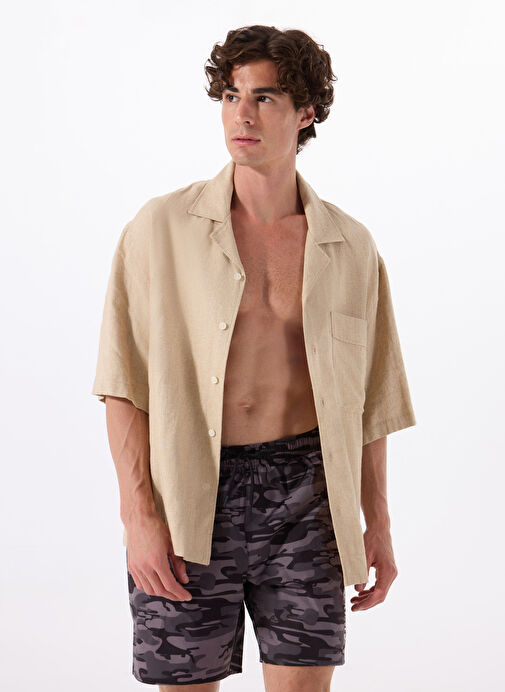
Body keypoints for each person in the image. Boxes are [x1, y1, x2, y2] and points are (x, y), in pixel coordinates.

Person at [91, 25, 416, 692]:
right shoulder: (161, 228)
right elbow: (123, 382)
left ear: (306, 112)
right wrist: (138, 516)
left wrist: (377, 525)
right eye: (231, 96)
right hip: (188, 494)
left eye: (264, 98)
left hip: (306, 501)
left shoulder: (350, 246)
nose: (242, 114)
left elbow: (370, 403)